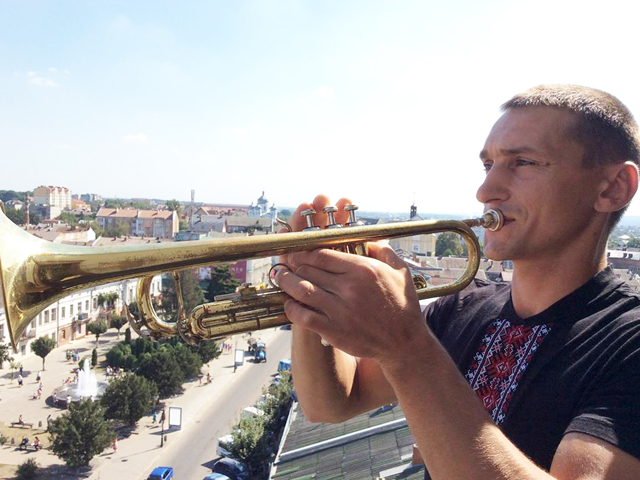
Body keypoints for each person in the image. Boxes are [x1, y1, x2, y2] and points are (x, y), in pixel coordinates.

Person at [276, 85, 640, 480]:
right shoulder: (459, 307)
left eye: (523, 162)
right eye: (488, 165)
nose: (485, 191)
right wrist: (308, 283)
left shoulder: (628, 342)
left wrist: (406, 347)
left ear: (613, 187)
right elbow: (332, 403)